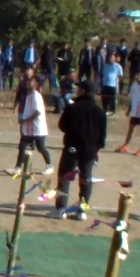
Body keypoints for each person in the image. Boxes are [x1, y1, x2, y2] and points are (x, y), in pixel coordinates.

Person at [52, 80, 107, 220]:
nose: (76, 91)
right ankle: (81, 211)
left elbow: (62, 126)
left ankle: (61, 209)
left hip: (72, 148)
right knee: (86, 180)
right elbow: (102, 138)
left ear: (83, 91)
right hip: (90, 151)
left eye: (79, 89)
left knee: (65, 178)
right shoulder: (100, 112)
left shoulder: (72, 108)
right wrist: (95, 149)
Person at [7, 76, 53, 176]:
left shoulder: (36, 96)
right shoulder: (28, 96)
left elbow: (37, 112)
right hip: (28, 129)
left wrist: (25, 120)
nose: (28, 83)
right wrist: (22, 119)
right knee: (22, 146)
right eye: (28, 82)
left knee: (41, 148)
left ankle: (49, 166)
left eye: (31, 82)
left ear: (35, 84)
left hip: (38, 129)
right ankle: (18, 168)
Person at [116, 71, 140, 156]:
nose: (137, 77)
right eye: (136, 75)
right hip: (134, 111)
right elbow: (133, 98)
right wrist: (129, 110)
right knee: (131, 129)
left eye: (138, 75)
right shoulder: (134, 85)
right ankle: (125, 145)